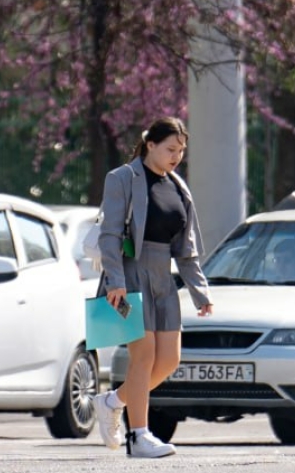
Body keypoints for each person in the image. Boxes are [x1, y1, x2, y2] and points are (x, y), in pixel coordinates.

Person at [92, 117, 214, 458]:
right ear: (150, 145)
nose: (177, 157)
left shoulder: (178, 187)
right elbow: (110, 235)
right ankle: (139, 436)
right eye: (170, 149)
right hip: (130, 274)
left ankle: (112, 401)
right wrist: (115, 280)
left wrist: (200, 292)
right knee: (142, 356)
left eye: (181, 151)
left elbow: (187, 248)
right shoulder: (122, 178)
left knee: (169, 360)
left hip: (164, 277)